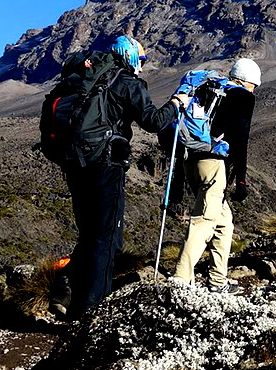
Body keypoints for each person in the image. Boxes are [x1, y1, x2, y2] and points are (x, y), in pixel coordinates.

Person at [64, 35, 185, 318]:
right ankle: (91, 311)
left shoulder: (87, 79)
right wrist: (176, 103)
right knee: (107, 239)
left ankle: (65, 290)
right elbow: (153, 121)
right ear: (129, 56)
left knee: (89, 234)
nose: (142, 65)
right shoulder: (126, 82)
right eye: (140, 59)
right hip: (106, 165)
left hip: (74, 162)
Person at [173, 58, 260, 292]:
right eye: (254, 85)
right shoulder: (242, 96)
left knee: (224, 223)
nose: (254, 90)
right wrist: (241, 180)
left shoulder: (209, 88)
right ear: (248, 81)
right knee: (204, 221)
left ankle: (218, 281)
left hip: (190, 161)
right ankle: (180, 280)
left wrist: (176, 185)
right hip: (212, 165)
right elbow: (241, 140)